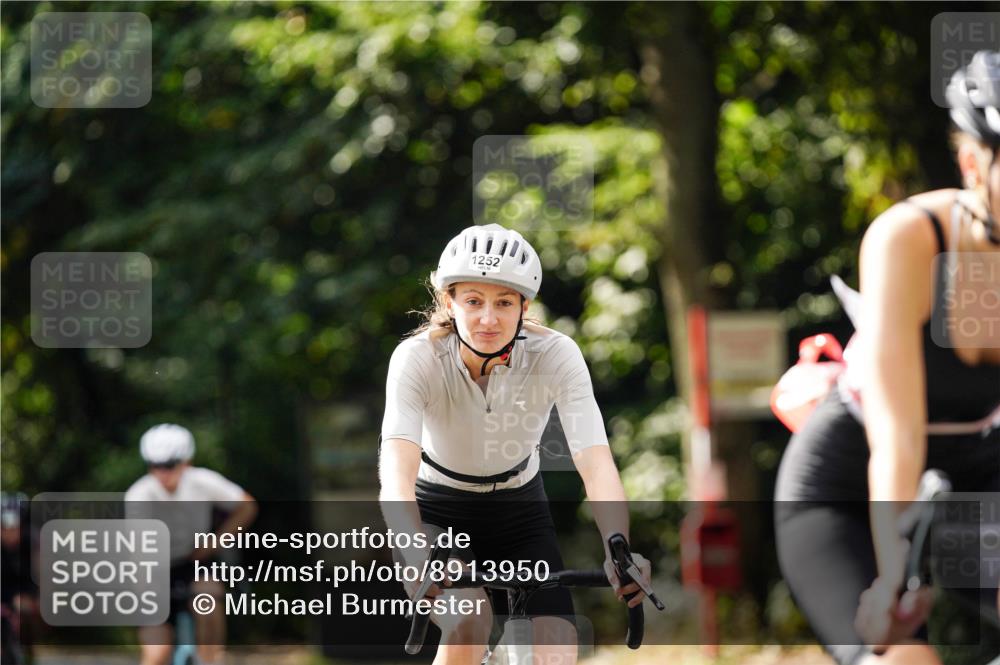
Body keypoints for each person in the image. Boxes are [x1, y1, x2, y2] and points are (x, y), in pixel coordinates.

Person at [775, 50, 1000, 665]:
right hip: (851, 484)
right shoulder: (909, 238)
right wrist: (893, 578)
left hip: (972, 478)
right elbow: (897, 439)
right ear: (973, 164)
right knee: (903, 660)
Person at [378, 223, 652, 665]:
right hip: (437, 514)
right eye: (473, 301)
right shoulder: (418, 358)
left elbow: (595, 461)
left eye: (504, 302)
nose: (489, 318)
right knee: (468, 622)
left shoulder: (556, 354)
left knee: (555, 650)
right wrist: (411, 546)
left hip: (519, 512)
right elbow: (397, 468)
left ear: (525, 305)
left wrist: (617, 546)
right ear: (449, 301)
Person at [125, 424, 257, 665]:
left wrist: (215, 542)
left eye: (170, 465)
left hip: (195, 561)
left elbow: (247, 506)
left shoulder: (203, 482)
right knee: (156, 655)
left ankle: (211, 660)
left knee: (208, 597)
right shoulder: (139, 495)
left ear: (186, 462)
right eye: (156, 466)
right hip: (154, 570)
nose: (163, 473)